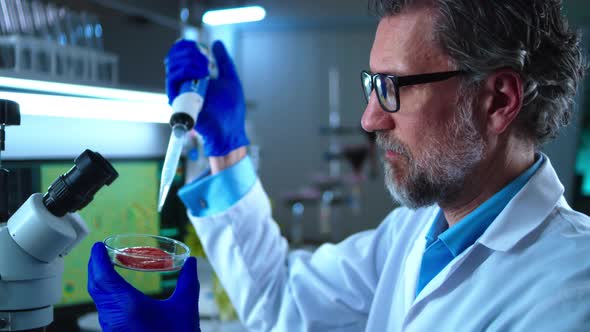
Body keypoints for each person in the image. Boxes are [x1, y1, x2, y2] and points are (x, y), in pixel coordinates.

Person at [88, 0, 590, 331]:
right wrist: (228, 148)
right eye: (371, 85)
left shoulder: (569, 293)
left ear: (497, 100)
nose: (370, 119)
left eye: (392, 87)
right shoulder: (414, 233)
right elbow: (280, 302)